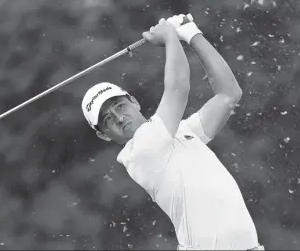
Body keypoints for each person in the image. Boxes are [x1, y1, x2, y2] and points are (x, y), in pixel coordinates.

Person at [81, 14, 264, 250]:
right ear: (104, 135)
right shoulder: (141, 152)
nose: (119, 118)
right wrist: (169, 35)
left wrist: (191, 34)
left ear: (134, 102)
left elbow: (229, 95)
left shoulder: (183, 132)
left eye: (119, 106)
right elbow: (178, 88)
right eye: (107, 119)